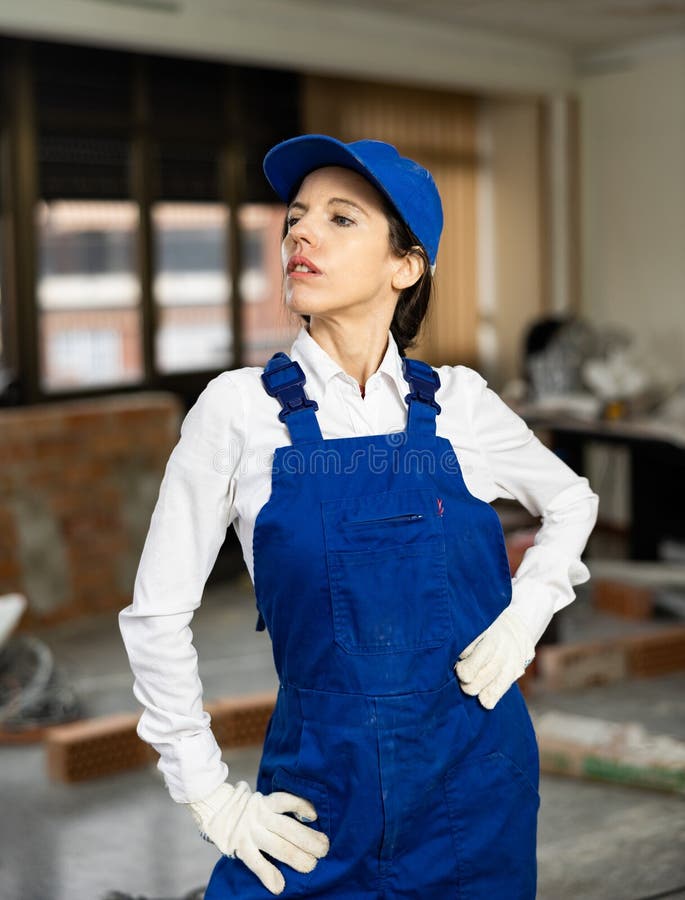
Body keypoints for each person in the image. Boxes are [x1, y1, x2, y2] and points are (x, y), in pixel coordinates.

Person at [118, 134, 599, 899]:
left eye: (341, 219)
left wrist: (527, 614)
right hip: (320, 795)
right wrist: (208, 795)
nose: (300, 233)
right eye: (296, 216)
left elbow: (572, 498)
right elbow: (156, 618)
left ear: (404, 267)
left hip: (476, 782)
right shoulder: (240, 412)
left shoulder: (459, 405)